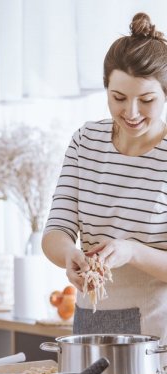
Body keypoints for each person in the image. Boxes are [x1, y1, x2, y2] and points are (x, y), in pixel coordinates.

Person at [42, 12, 167, 345]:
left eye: (147, 100)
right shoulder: (86, 140)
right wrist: (69, 255)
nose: (132, 113)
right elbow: (57, 229)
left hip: (161, 331)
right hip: (93, 323)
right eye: (119, 98)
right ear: (106, 89)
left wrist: (132, 251)